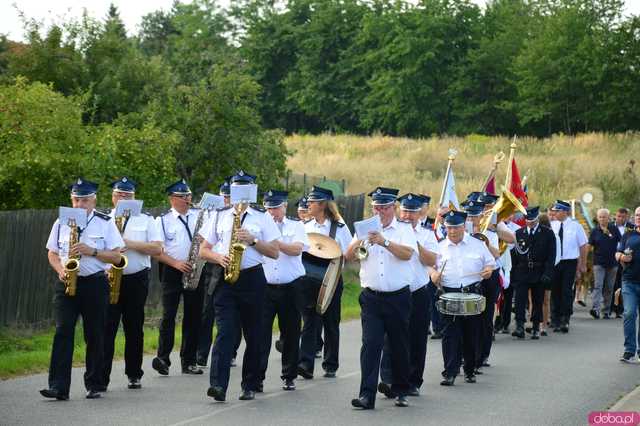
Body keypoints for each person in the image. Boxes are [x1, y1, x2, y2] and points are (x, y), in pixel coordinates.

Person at [199, 170, 280, 402]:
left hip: (253, 279)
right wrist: (218, 258)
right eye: (237, 187)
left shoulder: (262, 216)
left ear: (252, 190)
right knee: (225, 333)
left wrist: (252, 240)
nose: (240, 192)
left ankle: (250, 384)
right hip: (225, 277)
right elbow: (204, 249)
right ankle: (218, 385)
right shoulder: (221, 214)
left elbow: (274, 252)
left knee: (254, 335)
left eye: (245, 187)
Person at [41, 179, 124, 400]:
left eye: (84, 200)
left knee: (95, 334)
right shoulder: (62, 221)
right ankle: (58, 386)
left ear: (94, 200)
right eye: (76, 199)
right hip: (67, 281)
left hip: (94, 283)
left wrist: (92, 251)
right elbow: (52, 253)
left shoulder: (105, 222)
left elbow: (116, 255)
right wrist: (60, 269)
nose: (79, 204)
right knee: (62, 331)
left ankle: (94, 383)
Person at [346, 187, 416, 409]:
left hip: (398, 297)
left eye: (384, 207)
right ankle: (367, 395)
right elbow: (348, 256)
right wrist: (360, 242)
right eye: (377, 207)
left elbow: (407, 254)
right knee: (371, 345)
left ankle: (401, 389)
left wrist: (384, 242)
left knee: (399, 345)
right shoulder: (364, 228)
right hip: (372, 298)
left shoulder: (403, 230)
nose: (380, 212)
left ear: (393, 207)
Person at [101, 177, 163, 391]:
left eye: (128, 195)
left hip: (136, 278)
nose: (124, 198)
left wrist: (128, 243)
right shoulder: (104, 219)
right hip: (108, 278)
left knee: (134, 327)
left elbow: (157, 249)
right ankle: (101, 378)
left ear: (135, 197)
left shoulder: (147, 220)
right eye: (120, 195)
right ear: (113, 198)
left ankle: (134, 374)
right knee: (106, 328)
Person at [378, 193, 437, 398]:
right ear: (399, 211)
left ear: (420, 214)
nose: (408, 215)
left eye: (413, 212)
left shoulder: (428, 234)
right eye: (405, 211)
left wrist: (415, 243)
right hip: (395, 292)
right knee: (390, 337)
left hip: (417, 291)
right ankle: (387, 379)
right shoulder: (393, 231)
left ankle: (413, 381)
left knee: (416, 337)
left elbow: (431, 261)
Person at [430, 211, 495, 386]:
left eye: (456, 227)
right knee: (450, 334)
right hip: (449, 292)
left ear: (464, 225)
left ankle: (469, 369)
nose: (452, 231)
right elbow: (430, 265)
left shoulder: (477, 244)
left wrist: (488, 270)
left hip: (472, 292)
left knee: (470, 333)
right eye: (449, 227)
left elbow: (490, 263)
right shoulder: (439, 246)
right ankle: (450, 372)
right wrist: (433, 274)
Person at [298, 186, 352, 380]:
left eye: (312, 202)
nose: (308, 205)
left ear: (321, 205)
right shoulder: (305, 226)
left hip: (331, 278)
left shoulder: (339, 227)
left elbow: (346, 254)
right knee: (309, 322)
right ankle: (305, 363)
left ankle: (330, 364)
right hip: (308, 279)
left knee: (331, 322)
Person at [152, 179, 205, 376]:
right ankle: (163, 358)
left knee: (193, 316)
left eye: (188, 196)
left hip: (195, 269)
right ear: (172, 199)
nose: (187, 200)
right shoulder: (162, 221)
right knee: (168, 316)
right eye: (182, 197)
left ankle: (189, 361)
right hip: (172, 271)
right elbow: (157, 251)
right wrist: (176, 263)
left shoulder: (200, 217)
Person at [258, 190, 309, 391]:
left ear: (284, 207)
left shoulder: (296, 225)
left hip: (292, 286)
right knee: (261, 333)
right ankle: (257, 377)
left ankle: (289, 375)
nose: (272, 212)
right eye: (269, 208)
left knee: (291, 332)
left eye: (276, 207)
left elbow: (297, 249)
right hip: (265, 286)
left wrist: (274, 242)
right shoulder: (258, 226)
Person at [510, 207, 556, 340]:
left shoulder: (547, 233)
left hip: (539, 271)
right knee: (520, 300)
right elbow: (514, 255)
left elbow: (551, 255)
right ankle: (519, 326)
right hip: (522, 270)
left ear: (537, 219)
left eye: (532, 220)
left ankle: (536, 326)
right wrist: (513, 273)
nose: (529, 222)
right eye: (527, 220)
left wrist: (548, 272)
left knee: (537, 300)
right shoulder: (519, 233)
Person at [550, 200, 588, 333]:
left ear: (565, 212)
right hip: (555, 263)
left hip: (569, 263)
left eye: (557, 211)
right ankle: (555, 318)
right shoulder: (552, 225)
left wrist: (582, 264)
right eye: (554, 211)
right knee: (555, 291)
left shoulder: (575, 226)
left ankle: (565, 318)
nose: (554, 213)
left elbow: (583, 245)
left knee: (566, 291)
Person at [616, 207, 640, 362]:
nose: (638, 217)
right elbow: (617, 252)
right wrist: (621, 257)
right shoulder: (628, 234)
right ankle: (629, 350)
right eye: (637, 215)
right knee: (630, 313)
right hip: (629, 281)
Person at [588, 208, 621, 319]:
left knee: (609, 287)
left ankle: (606, 310)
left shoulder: (614, 229)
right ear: (597, 218)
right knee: (598, 286)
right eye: (600, 217)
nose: (602, 219)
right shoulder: (594, 231)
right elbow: (590, 246)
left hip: (612, 263)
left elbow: (621, 243)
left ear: (608, 218)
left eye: (604, 217)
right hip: (599, 263)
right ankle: (595, 309)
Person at [612, 208, 635, 318]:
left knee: (622, 284)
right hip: (613, 258)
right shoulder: (611, 226)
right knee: (614, 284)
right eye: (619, 216)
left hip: (627, 260)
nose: (620, 218)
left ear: (626, 217)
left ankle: (620, 309)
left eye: (623, 216)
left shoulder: (631, 227)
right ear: (615, 216)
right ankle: (614, 306)